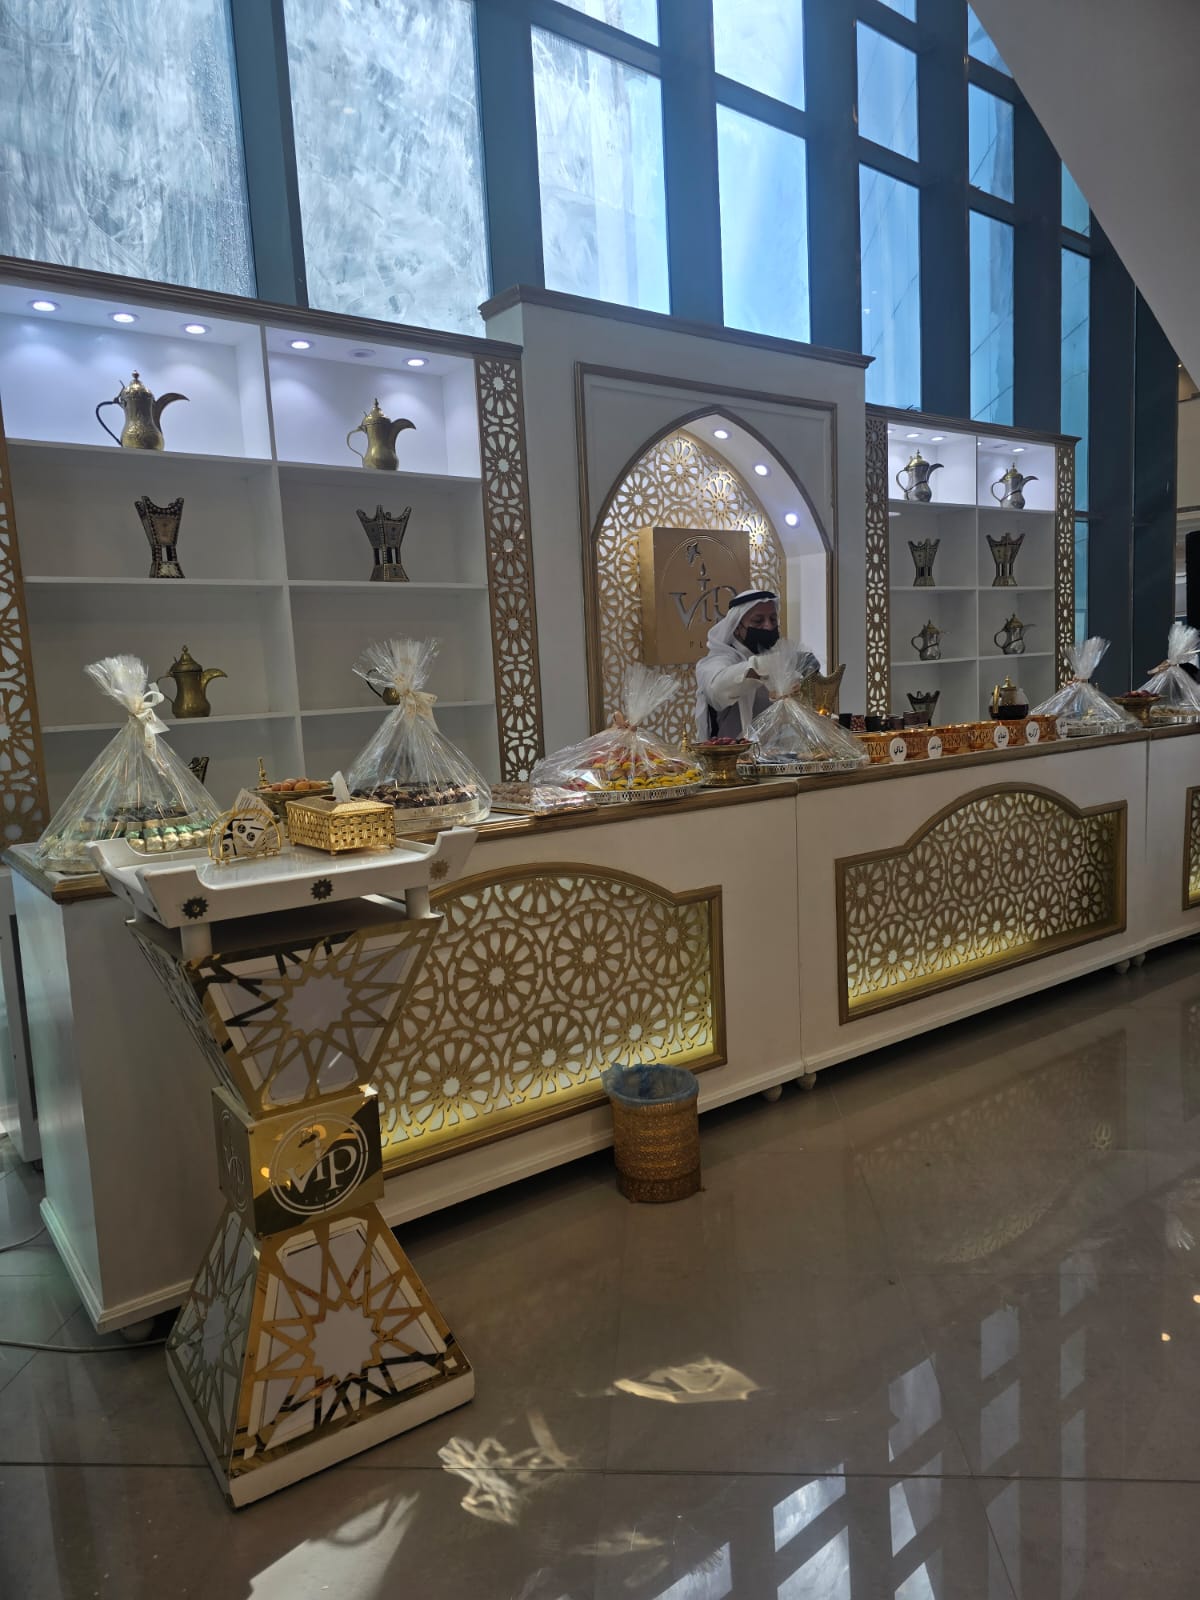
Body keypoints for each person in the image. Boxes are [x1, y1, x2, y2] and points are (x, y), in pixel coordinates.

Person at [693, 589, 818, 741]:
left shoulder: (778, 656)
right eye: (758, 621)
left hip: (775, 753)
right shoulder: (718, 660)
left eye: (773, 620)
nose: (768, 626)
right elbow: (718, 689)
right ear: (737, 628)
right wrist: (765, 665)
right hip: (730, 753)